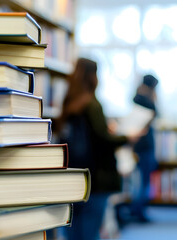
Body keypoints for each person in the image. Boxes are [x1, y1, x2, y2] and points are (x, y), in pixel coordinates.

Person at [54, 57, 139, 240]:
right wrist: (127, 138)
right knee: (90, 231)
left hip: (71, 176)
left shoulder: (69, 104)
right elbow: (103, 141)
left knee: (72, 231)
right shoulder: (92, 104)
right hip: (95, 179)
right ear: (93, 76)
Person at [130, 74, 159, 222]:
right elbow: (155, 114)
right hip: (144, 146)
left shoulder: (137, 98)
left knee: (141, 180)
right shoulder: (144, 99)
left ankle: (138, 208)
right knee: (143, 181)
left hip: (141, 145)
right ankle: (139, 210)